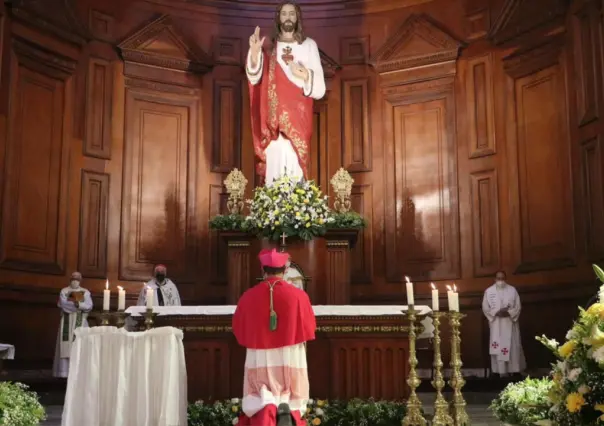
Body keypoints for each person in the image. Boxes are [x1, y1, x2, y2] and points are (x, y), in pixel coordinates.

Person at [233, 248, 316, 426]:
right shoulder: (299, 296)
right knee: (290, 384)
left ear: (263, 270)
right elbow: (310, 327)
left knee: (261, 386)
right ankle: (287, 407)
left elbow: (238, 327)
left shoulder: (248, 296)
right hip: (289, 351)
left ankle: (266, 405)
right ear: (285, 271)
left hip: (260, 352)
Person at [246, 1, 326, 186]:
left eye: (292, 13)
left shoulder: (308, 45)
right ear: (278, 18)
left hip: (299, 116)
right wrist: (255, 53)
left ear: (297, 17)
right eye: (284, 13)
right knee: (275, 156)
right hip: (273, 120)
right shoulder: (269, 47)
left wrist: (305, 74)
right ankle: (272, 207)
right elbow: (254, 77)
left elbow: (320, 89)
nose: (288, 17)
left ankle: (298, 207)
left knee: (294, 160)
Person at [482, 270, 526, 378]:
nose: (500, 281)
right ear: (494, 279)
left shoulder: (512, 290)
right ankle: (498, 371)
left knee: (513, 347)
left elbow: (517, 306)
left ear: (505, 279)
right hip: (496, 324)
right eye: (498, 278)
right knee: (498, 347)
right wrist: (496, 312)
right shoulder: (489, 291)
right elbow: (485, 307)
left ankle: (515, 370)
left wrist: (508, 313)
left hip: (510, 323)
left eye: (502, 278)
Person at [52, 272, 93, 378]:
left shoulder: (85, 292)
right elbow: (64, 305)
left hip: (80, 321)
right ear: (70, 279)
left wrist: (78, 304)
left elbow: (89, 306)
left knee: (80, 345)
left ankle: (80, 373)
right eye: (73, 278)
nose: (75, 280)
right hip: (67, 320)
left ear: (80, 279)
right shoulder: (64, 291)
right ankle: (64, 373)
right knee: (65, 346)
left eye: (77, 278)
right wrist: (78, 305)